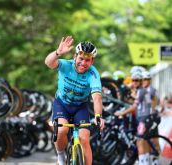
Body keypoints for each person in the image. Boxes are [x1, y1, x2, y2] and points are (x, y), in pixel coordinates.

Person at [44, 36, 105, 165]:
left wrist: (99, 116)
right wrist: (57, 53)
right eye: (81, 58)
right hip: (62, 104)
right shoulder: (66, 65)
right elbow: (48, 63)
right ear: (75, 56)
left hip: (80, 107)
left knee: (84, 139)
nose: (83, 63)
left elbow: (97, 98)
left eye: (87, 60)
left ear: (92, 61)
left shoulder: (93, 74)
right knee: (62, 130)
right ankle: (61, 156)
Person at [115, 70, 159, 165]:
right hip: (145, 117)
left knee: (140, 140)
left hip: (145, 118)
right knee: (144, 140)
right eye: (133, 80)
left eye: (136, 80)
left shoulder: (141, 91)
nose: (134, 82)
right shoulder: (142, 90)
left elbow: (135, 106)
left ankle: (144, 162)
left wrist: (122, 113)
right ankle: (146, 161)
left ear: (141, 81)